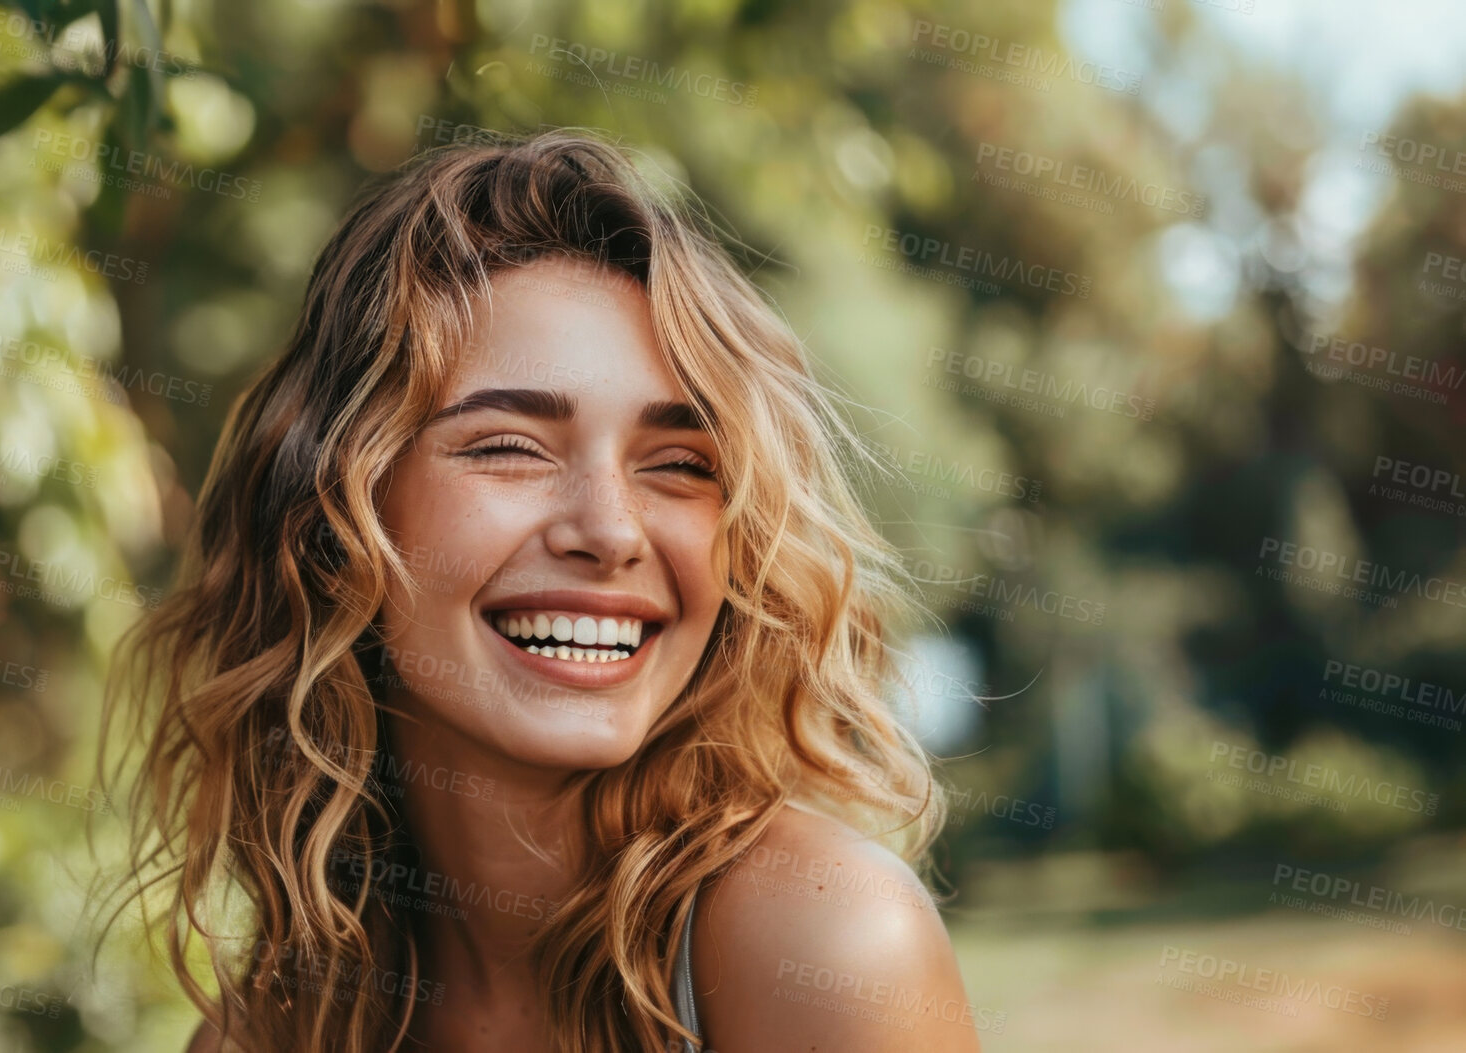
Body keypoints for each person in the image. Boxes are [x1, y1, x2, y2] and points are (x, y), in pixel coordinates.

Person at [105, 129, 977, 1053]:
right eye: (508, 448)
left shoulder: (821, 943)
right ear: (331, 515)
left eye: (680, 463)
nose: (608, 531)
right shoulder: (269, 1032)